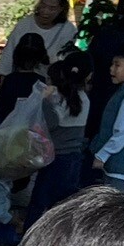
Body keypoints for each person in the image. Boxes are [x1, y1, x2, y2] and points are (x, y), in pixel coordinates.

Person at [26, 54, 90, 224]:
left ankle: (29, 239)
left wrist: (43, 100)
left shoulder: (57, 99)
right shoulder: (84, 98)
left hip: (54, 158)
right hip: (74, 159)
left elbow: (50, 124)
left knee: (39, 202)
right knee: (62, 206)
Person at [87, 51, 124, 188]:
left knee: (117, 200)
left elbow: (122, 131)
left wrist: (102, 154)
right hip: (115, 161)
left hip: (118, 162)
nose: (111, 68)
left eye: (117, 65)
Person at [5, 0, 80, 67]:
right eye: (43, 6)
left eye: (52, 8)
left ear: (61, 9)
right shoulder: (24, 24)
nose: (45, 12)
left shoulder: (68, 30)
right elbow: (8, 56)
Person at [0, 36, 48, 123]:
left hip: (11, 129)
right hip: (36, 130)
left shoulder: (9, 80)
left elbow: (1, 106)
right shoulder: (42, 82)